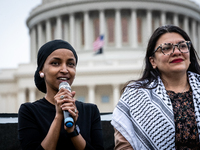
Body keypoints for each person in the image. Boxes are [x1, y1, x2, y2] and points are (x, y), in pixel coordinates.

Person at [111, 25, 200, 150]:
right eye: (167, 48)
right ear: (153, 61)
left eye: (183, 46)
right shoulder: (135, 97)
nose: (177, 52)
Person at [18, 40, 104, 150]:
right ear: (41, 70)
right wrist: (58, 117)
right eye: (55, 63)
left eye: (70, 64)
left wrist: (72, 131)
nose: (64, 70)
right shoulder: (29, 111)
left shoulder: (91, 111)